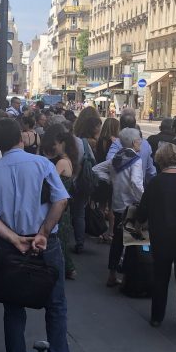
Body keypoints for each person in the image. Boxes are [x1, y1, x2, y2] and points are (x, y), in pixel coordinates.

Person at [0, 118, 75, 352]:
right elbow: (60, 200)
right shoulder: (42, 164)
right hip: (45, 242)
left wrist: (13, 238)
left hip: (11, 244)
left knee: (13, 305)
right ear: (21, 138)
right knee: (56, 303)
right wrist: (43, 232)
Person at [136, 143, 176, 331]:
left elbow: (143, 208)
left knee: (160, 277)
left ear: (160, 160)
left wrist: (139, 222)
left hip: (161, 235)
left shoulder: (156, 181)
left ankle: (157, 316)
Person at [94, 127, 145, 287]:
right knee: (132, 242)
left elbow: (96, 169)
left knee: (117, 241)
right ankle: (128, 278)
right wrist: (144, 200)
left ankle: (112, 274)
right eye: (139, 140)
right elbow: (136, 182)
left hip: (117, 204)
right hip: (131, 206)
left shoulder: (116, 158)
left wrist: (110, 180)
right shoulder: (136, 160)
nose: (140, 143)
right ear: (134, 142)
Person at [40, 125, 80, 280]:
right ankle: (68, 269)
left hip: (59, 207)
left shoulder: (61, 163)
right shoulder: (69, 160)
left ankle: (63, 270)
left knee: (59, 240)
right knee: (62, 239)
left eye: (55, 145)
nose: (53, 148)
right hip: (65, 207)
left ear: (62, 143)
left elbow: (50, 181)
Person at [71, 107, 102, 253]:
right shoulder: (92, 143)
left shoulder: (74, 140)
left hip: (69, 179)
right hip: (84, 181)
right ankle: (80, 242)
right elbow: (94, 163)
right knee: (79, 213)